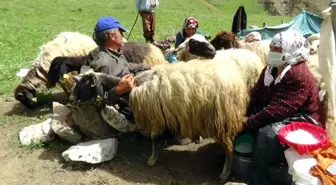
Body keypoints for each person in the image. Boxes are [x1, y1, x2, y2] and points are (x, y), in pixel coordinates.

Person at [241, 30, 322, 185]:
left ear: (291, 51)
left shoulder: (297, 74)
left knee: (268, 134)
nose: (272, 52)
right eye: (272, 47)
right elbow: (257, 93)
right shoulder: (270, 69)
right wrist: (244, 113)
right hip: (278, 109)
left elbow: (277, 111)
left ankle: (263, 178)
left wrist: (247, 122)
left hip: (303, 117)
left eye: (277, 49)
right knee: (253, 117)